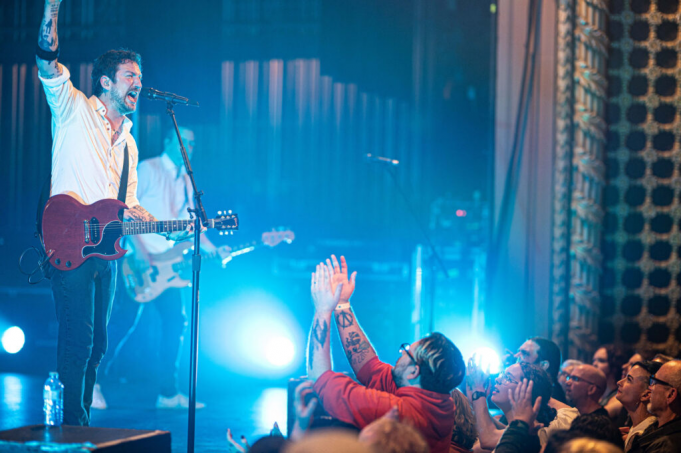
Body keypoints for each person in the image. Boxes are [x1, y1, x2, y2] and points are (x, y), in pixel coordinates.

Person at [36, 0, 192, 426]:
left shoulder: (130, 143)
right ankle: (72, 425)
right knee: (78, 339)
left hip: (105, 251)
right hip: (67, 240)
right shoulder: (74, 109)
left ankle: (80, 418)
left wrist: (165, 229)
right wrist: (51, 9)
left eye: (140, 77)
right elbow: (47, 62)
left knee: (99, 343)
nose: (139, 83)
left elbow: (130, 207)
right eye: (130, 76)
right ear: (106, 81)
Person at [95, 127, 228, 409]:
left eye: (192, 144)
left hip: (167, 266)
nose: (188, 148)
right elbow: (124, 210)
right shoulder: (148, 169)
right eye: (184, 141)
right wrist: (136, 248)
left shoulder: (187, 181)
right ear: (168, 141)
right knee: (121, 323)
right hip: (137, 258)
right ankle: (90, 383)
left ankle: (168, 393)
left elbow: (191, 226)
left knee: (175, 324)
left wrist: (214, 249)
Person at [306, 256, 465, 453]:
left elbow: (320, 378)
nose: (401, 354)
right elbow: (369, 368)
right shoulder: (440, 403)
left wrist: (322, 310)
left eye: (407, 351)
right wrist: (341, 304)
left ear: (414, 372)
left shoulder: (395, 411)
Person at [467, 361, 558, 451]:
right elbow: (507, 431)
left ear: (527, 391)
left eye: (507, 378)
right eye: (502, 375)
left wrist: (478, 391)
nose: (497, 379)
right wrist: (476, 404)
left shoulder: (535, 429)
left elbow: (488, 438)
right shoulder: (518, 428)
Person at [628, 360, 681, 453]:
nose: (649, 388)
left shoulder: (666, 447)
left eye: (654, 382)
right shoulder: (656, 430)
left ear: (671, 394)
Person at [616, 361, 660, 451]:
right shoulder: (635, 428)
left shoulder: (645, 438)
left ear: (646, 395)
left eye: (629, 379)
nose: (619, 382)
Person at [515, 337, 567, 404]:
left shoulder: (550, 398)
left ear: (543, 365)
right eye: (518, 352)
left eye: (524, 353)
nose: (516, 356)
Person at [593, 345, 628, 419]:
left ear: (614, 366)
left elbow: (598, 418)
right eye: (594, 360)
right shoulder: (597, 391)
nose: (594, 364)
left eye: (601, 361)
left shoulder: (618, 396)